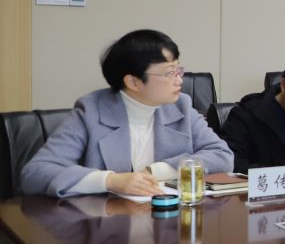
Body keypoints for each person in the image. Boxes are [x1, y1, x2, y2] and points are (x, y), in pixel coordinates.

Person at [20, 29, 233, 198]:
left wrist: (157, 171)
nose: (179, 80)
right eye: (169, 73)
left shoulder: (181, 106)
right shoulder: (91, 110)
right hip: (105, 224)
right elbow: (36, 173)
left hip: (169, 224)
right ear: (133, 82)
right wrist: (110, 181)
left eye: (178, 70)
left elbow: (222, 156)